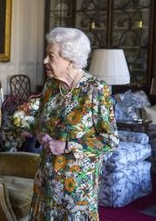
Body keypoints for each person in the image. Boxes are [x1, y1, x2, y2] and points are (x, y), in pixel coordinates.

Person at [29, 27, 119, 220]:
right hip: (46, 177)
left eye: (51, 56)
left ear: (70, 60)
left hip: (77, 186)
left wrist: (68, 146)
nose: (45, 61)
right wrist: (40, 134)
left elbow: (110, 140)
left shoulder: (95, 89)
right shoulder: (51, 86)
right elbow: (38, 122)